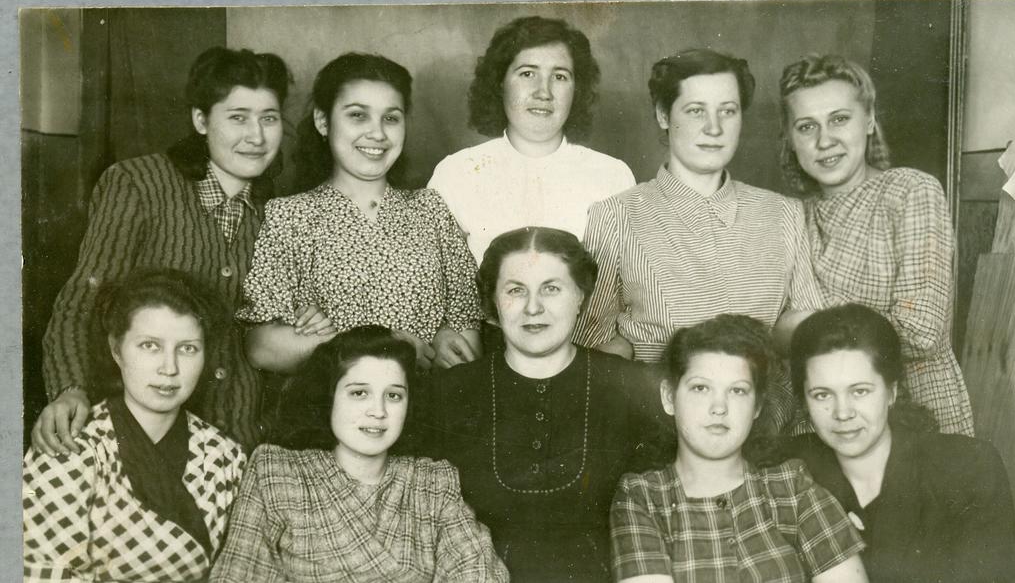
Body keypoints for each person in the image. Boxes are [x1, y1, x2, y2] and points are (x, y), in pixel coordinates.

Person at [35, 46, 291, 453]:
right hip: (140, 441)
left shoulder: (281, 213)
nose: (256, 137)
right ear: (201, 120)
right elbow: (83, 299)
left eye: (269, 118)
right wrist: (70, 389)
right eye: (238, 117)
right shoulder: (138, 184)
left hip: (244, 445)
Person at [576, 48, 822, 430]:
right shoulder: (617, 215)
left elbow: (807, 332)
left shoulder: (784, 213)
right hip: (659, 426)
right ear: (663, 115)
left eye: (728, 111)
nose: (714, 128)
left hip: (769, 426)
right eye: (695, 111)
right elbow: (594, 343)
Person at [412, 227, 672, 582]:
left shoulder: (633, 386)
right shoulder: (446, 392)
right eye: (516, 290)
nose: (533, 307)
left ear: (580, 296)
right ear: (493, 302)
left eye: (551, 288)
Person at [239, 52, 481, 374]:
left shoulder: (431, 209)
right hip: (330, 402)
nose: (377, 133)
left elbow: (467, 337)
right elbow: (261, 348)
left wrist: (445, 341)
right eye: (358, 115)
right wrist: (385, 345)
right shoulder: (290, 216)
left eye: (391, 118)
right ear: (323, 121)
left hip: (428, 402)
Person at [209, 325, 508, 582]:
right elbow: (239, 572)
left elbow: (478, 570)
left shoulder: (433, 481)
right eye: (359, 393)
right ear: (329, 397)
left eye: (393, 396)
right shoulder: (275, 471)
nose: (378, 411)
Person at [779, 54, 973, 435]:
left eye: (839, 119)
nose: (824, 140)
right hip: (823, 418)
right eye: (806, 126)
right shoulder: (791, 216)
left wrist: (801, 327)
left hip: (916, 411)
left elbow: (921, 333)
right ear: (790, 138)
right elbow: (772, 334)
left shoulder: (910, 191)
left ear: (868, 120)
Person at [23, 269, 246, 583]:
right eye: (149, 345)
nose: (169, 368)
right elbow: (40, 572)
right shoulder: (69, 447)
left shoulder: (225, 456)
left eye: (188, 348)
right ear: (116, 349)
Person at [610, 314, 867, 582]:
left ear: (757, 406)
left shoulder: (793, 487)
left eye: (738, 391)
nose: (719, 407)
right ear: (669, 397)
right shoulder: (642, 497)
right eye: (700, 388)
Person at [788, 303, 1015, 582]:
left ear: (892, 391)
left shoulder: (969, 467)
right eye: (822, 395)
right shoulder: (786, 472)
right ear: (804, 402)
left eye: (860, 391)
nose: (843, 412)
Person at [428, 15, 635, 265]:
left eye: (560, 76)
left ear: (577, 89)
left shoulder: (614, 177)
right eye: (527, 73)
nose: (543, 92)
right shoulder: (455, 174)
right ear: (500, 83)